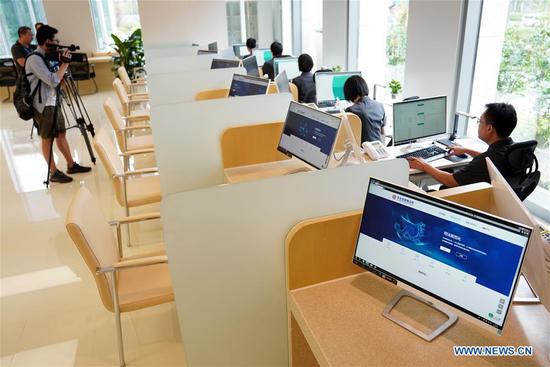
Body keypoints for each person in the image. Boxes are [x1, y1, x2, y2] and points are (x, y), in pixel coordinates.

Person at [26, 25, 91, 184]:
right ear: (47, 41)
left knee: (61, 134)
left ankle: (71, 164)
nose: (58, 42)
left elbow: (58, 79)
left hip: (54, 100)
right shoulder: (35, 58)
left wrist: (62, 64)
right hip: (42, 105)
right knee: (47, 138)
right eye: (55, 39)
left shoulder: (47, 56)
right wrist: (65, 64)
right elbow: (52, 80)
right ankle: (53, 172)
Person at [408, 103, 517, 188]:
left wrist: (424, 165)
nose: (478, 125)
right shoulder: (512, 150)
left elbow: (451, 181)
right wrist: (466, 150)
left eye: (480, 121)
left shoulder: (484, 161)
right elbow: (490, 159)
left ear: (489, 128)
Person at [343, 75, 386, 144]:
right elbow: (382, 132)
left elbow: (344, 135)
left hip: (363, 151)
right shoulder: (380, 105)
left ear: (349, 93)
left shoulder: (351, 110)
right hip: (378, 149)